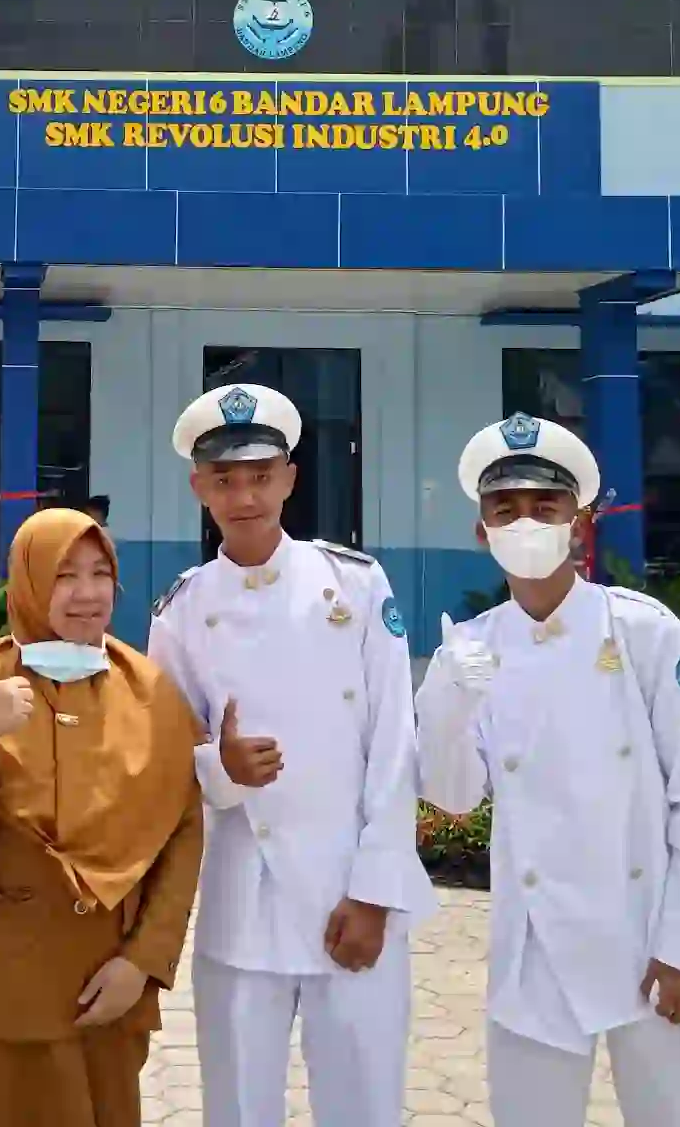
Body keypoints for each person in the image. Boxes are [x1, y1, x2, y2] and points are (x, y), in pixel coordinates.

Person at [415, 414, 680, 1127]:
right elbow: (452, 794)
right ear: (483, 532)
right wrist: (444, 704)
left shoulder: (643, 631)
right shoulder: (469, 650)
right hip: (535, 950)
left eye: (545, 506)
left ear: (578, 523)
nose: (525, 521)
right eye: (506, 509)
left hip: (647, 937)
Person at [146, 383, 434, 1127]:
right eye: (225, 479)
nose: (244, 495)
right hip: (245, 905)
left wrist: (376, 891)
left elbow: (394, 743)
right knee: (239, 1110)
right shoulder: (182, 611)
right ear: (199, 487)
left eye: (260, 475)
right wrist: (223, 772)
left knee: (363, 1106)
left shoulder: (357, 586)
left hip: (352, 899)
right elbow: (165, 765)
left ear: (290, 479)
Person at [0, 506, 203, 1127]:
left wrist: (143, 961)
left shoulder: (150, 694)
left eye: (101, 574)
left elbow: (182, 837)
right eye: (64, 576)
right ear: (28, 581)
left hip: (103, 991)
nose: (87, 594)